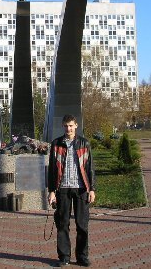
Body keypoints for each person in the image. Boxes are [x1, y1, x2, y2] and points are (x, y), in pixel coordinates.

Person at [48, 114, 96, 267]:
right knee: (62, 224)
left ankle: (82, 257)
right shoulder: (56, 144)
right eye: (66, 126)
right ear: (63, 126)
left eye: (71, 125)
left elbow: (90, 167)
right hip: (62, 189)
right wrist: (52, 191)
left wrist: (92, 189)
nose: (68, 128)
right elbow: (52, 170)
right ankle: (64, 257)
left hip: (81, 189)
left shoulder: (84, 143)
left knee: (82, 225)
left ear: (76, 125)